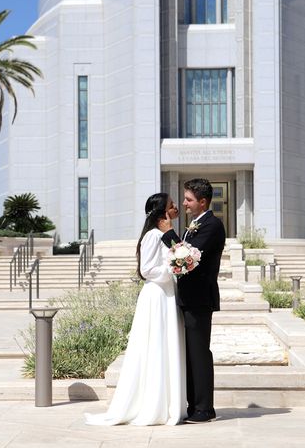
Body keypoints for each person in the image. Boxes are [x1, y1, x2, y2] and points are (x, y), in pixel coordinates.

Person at [85, 192, 187, 426]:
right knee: (155, 345)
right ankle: (152, 405)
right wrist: (175, 269)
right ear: (163, 211)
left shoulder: (166, 235)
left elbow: (178, 256)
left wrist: (179, 265)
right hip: (157, 295)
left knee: (167, 345)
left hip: (168, 294)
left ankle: (170, 403)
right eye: (172, 206)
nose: (176, 209)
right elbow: (148, 269)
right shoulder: (152, 236)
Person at [159, 178, 226, 424]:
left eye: (188, 199)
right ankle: (192, 405)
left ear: (202, 201)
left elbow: (187, 260)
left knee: (199, 353)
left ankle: (204, 409)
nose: (185, 204)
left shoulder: (212, 225)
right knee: (189, 353)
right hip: (187, 297)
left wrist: (168, 234)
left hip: (199, 298)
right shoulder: (193, 225)